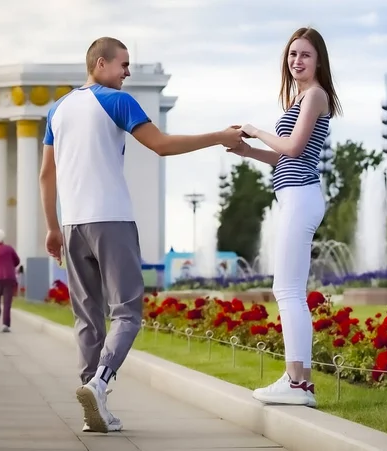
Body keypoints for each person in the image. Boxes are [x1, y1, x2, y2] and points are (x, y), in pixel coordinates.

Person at [39, 36, 243, 434]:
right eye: (123, 64)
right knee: (128, 312)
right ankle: (99, 383)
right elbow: (162, 146)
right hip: (111, 220)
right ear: (101, 64)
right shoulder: (116, 101)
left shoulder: (58, 109)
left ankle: (93, 405)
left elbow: (47, 174)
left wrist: (52, 227)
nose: (128, 72)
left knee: (87, 319)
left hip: (72, 224)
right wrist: (219, 136)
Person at [227, 27, 342, 407]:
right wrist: (248, 152)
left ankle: (296, 383)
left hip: (300, 196)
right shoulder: (300, 99)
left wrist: (257, 130)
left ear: (319, 60)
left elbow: (291, 146)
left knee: (288, 290)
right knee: (289, 289)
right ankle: (301, 383)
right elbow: (284, 157)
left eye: (305, 55)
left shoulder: (314, 96)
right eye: (292, 55)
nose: (297, 61)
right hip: (294, 195)